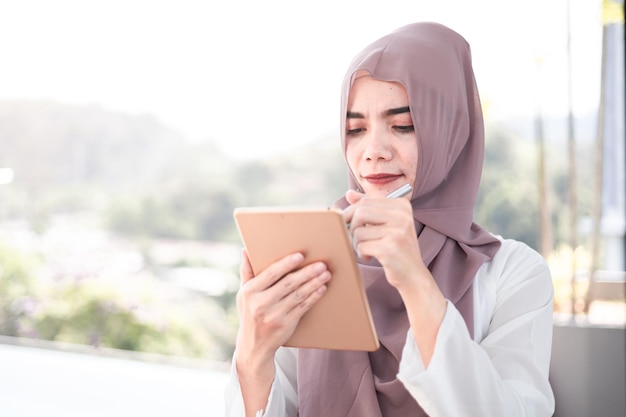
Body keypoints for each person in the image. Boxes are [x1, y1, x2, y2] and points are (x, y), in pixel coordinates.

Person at [224, 22, 555, 417]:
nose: (373, 151)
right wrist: (252, 353)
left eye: (403, 125)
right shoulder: (318, 260)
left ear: (450, 132)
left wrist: (414, 280)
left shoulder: (511, 273)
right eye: (355, 129)